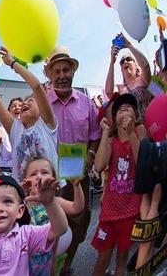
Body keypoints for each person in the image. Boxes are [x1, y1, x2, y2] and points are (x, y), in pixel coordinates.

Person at [43, 46, 101, 275]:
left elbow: (95, 136)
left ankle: (66, 265)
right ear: (50, 75)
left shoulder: (86, 102)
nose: (61, 76)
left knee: (79, 222)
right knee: (50, 226)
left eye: (66, 70)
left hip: (78, 173)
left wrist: (90, 156)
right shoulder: (42, 102)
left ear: (73, 72)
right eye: (56, 71)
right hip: (51, 177)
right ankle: (50, 268)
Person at [0, 49, 57, 182]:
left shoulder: (47, 125)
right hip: (24, 196)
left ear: (41, 110)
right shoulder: (16, 129)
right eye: (22, 104)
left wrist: (12, 63)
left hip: (50, 194)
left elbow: (37, 86)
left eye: (30, 101)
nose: (23, 104)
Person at [92, 94, 144, 276]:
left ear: (136, 117)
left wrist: (131, 134)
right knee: (102, 258)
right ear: (113, 118)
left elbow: (143, 164)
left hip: (131, 211)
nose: (125, 108)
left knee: (122, 259)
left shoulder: (139, 133)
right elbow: (99, 166)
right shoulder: (111, 140)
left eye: (130, 107)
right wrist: (105, 132)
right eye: (120, 108)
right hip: (109, 212)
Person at [22, 157, 85, 275]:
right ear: (26, 181)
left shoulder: (55, 202)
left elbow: (77, 208)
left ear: (53, 179)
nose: (39, 176)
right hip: (26, 262)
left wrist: (76, 186)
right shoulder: (22, 204)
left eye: (45, 172)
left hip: (48, 259)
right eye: (33, 174)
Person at [105, 34, 152, 118]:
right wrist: (112, 61)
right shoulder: (120, 88)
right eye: (122, 62)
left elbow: (146, 66)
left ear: (136, 65)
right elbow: (108, 92)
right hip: (131, 129)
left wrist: (129, 45)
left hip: (151, 124)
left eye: (128, 59)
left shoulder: (143, 79)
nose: (125, 62)